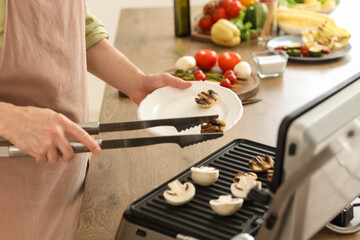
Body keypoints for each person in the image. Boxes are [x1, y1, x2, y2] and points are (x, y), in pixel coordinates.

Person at [0, 1, 191, 239]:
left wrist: (137, 83)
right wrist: (9, 118)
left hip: (67, 167)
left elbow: (73, 27)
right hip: (11, 184)